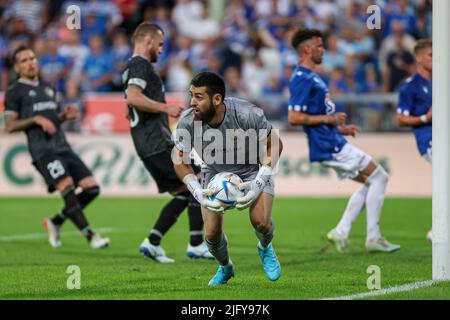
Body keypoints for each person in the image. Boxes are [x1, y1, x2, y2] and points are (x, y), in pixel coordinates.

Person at [288, 29, 400, 254]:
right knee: (380, 176)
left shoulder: (313, 77)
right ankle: (373, 237)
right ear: (307, 49)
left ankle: (341, 231)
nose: (324, 50)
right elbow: (294, 117)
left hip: (332, 138)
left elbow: (314, 116)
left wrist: (339, 127)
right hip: (328, 144)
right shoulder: (301, 78)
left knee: (371, 181)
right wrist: (329, 120)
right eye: (319, 46)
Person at [173, 71, 283, 285]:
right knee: (212, 234)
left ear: (217, 99)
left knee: (261, 222)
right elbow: (179, 160)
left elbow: (276, 144)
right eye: (191, 95)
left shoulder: (246, 113)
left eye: (199, 97)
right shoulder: (187, 122)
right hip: (213, 174)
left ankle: (265, 248)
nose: (192, 102)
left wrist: (259, 182)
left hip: (254, 170)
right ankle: (225, 267)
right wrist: (195, 190)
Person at [3, 45, 109, 249]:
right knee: (67, 187)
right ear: (17, 67)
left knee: (92, 188)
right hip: (43, 151)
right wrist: (35, 119)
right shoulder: (15, 92)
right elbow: (9, 126)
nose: (30, 63)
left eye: (32, 58)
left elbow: (52, 121)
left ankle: (56, 221)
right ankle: (91, 237)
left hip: (63, 146)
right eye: (24, 61)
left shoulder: (48, 87)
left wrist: (63, 117)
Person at [123, 22, 212, 262]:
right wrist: (166, 107)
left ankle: (153, 242)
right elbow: (133, 97)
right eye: (160, 44)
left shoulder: (133, 68)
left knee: (185, 191)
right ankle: (196, 244)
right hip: (156, 142)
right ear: (148, 41)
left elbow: (129, 100)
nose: (162, 49)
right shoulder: (140, 64)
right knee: (196, 178)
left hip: (147, 145)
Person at [396, 39, 432, 241]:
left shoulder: (438, 82)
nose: (435, 60)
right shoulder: (410, 87)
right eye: (431, 56)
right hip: (428, 140)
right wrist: (426, 117)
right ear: (418, 58)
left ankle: (438, 229)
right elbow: (400, 119)